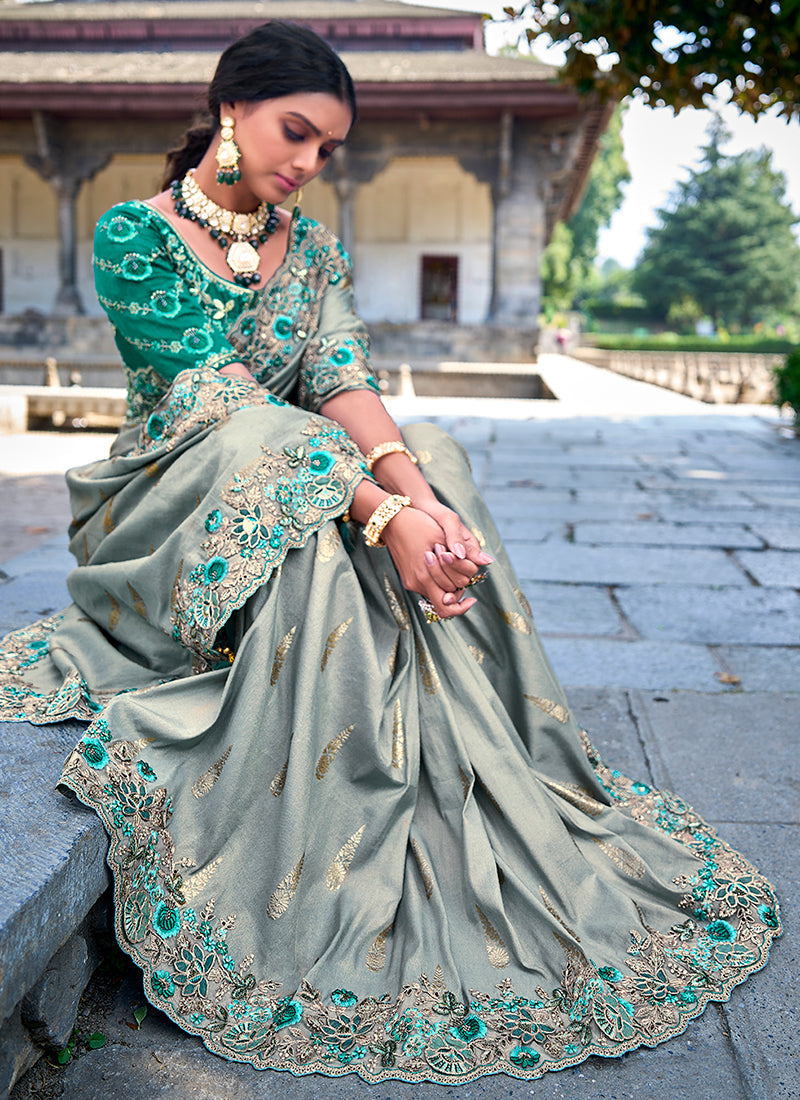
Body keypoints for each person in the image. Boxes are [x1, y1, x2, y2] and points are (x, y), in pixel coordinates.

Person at [0, 21, 780, 1085]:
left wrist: (418, 499)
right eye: (295, 132)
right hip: (174, 495)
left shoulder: (308, 245)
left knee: (437, 454)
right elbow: (209, 398)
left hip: (306, 466)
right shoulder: (133, 234)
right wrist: (375, 512)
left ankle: (460, 755)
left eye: (327, 149)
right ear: (230, 108)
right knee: (282, 451)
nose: (308, 163)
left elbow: (339, 373)